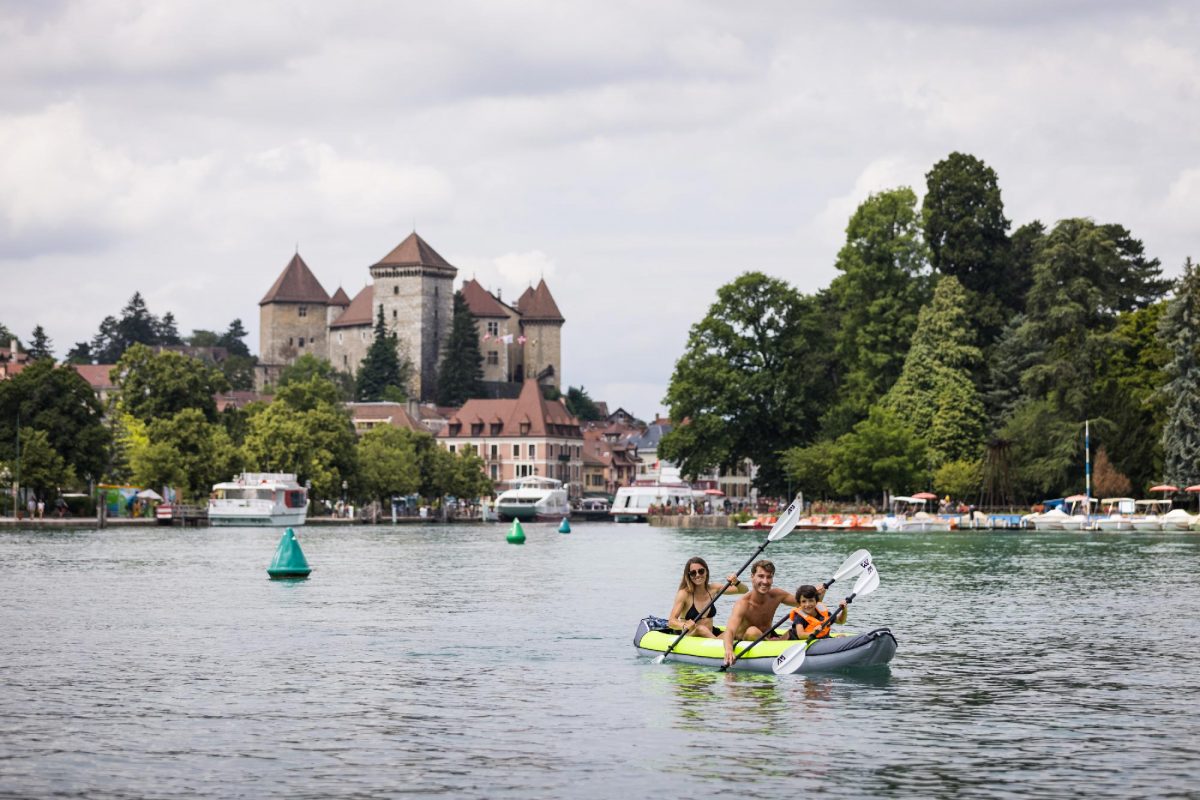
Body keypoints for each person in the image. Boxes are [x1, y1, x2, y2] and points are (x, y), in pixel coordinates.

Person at [721, 560, 830, 666]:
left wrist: (819, 594)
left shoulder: (777, 595)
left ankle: (775, 642)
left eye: (769, 577)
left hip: (769, 637)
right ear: (752, 576)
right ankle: (775, 643)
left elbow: (806, 604)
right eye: (761, 576)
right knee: (752, 631)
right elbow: (730, 630)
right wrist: (729, 650)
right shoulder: (743, 603)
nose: (765, 581)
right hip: (744, 640)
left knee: (791, 631)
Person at [667, 557, 748, 638]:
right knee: (701, 629)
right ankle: (722, 643)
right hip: (691, 636)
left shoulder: (714, 588)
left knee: (741, 626)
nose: (698, 575)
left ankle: (722, 641)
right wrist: (684, 625)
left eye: (701, 571)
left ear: (706, 572)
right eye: (693, 573)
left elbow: (743, 590)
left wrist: (736, 582)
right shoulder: (684, 594)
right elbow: (671, 622)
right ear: (689, 576)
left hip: (711, 634)